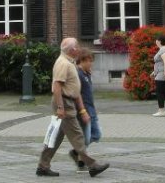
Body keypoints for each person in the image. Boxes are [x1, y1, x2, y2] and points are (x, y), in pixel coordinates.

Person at [35, 38, 110, 178]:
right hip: (65, 102)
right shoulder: (63, 63)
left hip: (68, 102)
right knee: (77, 135)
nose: (79, 48)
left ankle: (43, 166)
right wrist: (60, 107)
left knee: (56, 138)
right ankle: (92, 165)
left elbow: (74, 89)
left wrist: (80, 109)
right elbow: (57, 86)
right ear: (72, 50)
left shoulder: (68, 62)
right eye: (77, 46)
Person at [69, 47, 100, 172]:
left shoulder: (86, 73)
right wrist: (83, 111)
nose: (91, 63)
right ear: (82, 60)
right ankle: (80, 160)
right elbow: (78, 94)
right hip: (84, 111)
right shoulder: (79, 74)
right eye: (89, 61)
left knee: (95, 135)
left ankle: (77, 153)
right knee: (86, 138)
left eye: (91, 60)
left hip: (91, 109)